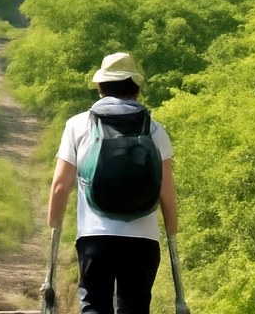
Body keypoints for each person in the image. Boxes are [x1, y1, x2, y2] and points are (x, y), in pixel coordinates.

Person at [46, 53, 179, 314]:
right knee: (135, 307)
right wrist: (172, 232)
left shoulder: (78, 125)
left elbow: (61, 185)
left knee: (94, 305)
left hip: (95, 236)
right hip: (143, 239)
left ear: (100, 88)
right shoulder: (154, 130)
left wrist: (54, 225)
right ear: (137, 89)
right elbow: (166, 190)